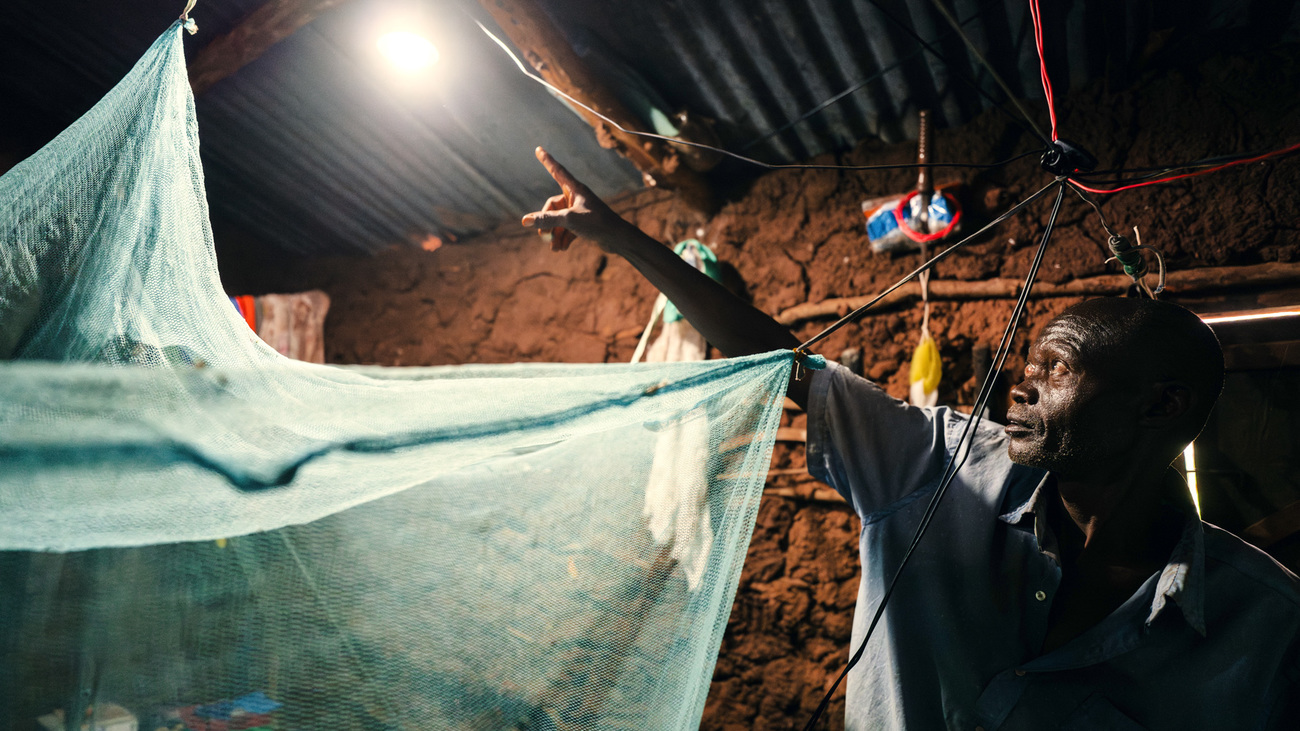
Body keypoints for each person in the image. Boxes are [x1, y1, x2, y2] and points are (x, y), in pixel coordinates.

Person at [521, 147, 1300, 730]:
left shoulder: (1263, 627)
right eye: (1025, 365)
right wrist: (619, 236)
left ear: (1160, 405)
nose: (1019, 387)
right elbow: (785, 364)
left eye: (1056, 370)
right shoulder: (938, 463)